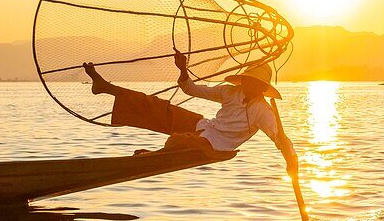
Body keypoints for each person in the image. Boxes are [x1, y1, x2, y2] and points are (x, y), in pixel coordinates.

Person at [82, 52, 299, 180]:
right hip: (204, 126)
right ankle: (106, 87)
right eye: (249, 81)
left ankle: (151, 156)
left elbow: (279, 137)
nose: (251, 86)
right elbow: (191, 90)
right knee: (157, 107)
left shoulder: (262, 111)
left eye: (256, 84)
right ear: (244, 80)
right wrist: (183, 69)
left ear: (262, 88)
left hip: (216, 146)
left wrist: (291, 160)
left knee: (180, 140)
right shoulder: (229, 91)